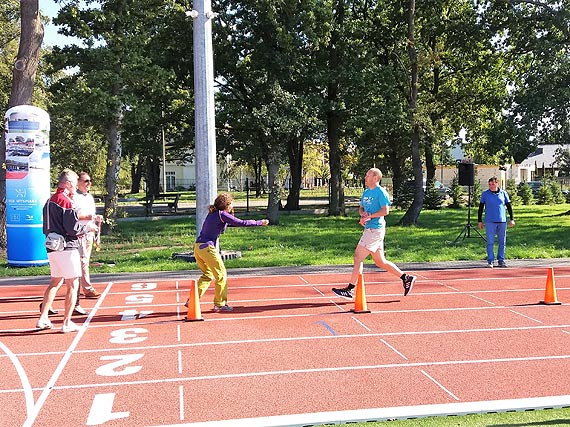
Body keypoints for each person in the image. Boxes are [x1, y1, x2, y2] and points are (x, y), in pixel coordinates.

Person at [332, 168, 416, 300]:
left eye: (368, 175)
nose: (365, 178)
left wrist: (370, 217)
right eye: (365, 175)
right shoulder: (366, 192)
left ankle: (350, 289)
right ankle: (406, 277)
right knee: (380, 261)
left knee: (358, 257)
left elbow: (385, 211)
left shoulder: (381, 192)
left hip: (375, 230)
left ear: (376, 178)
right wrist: (363, 214)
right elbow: (361, 208)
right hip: (369, 228)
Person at [37, 169, 97, 333]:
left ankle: (43, 318)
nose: (75, 187)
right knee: (72, 282)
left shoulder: (49, 201)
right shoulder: (65, 201)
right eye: (75, 182)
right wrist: (87, 228)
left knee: (55, 281)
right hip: (67, 247)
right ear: (68, 183)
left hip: (52, 245)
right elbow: (72, 228)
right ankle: (66, 322)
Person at [187, 193, 269, 312]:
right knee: (221, 275)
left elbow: (232, 223)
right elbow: (242, 223)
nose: (232, 206)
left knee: (207, 275)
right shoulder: (222, 214)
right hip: (207, 248)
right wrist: (259, 222)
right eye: (231, 204)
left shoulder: (213, 214)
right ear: (226, 205)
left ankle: (192, 300)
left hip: (198, 247)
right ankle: (219, 304)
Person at [73, 172, 103, 313]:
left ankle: (83, 287)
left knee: (85, 261)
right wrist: (87, 217)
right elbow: (72, 216)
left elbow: (90, 214)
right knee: (82, 261)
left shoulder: (89, 197)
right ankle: (86, 289)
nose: (89, 183)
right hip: (79, 233)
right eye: (86, 181)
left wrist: (96, 218)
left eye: (90, 181)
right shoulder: (74, 197)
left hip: (89, 232)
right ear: (78, 182)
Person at [478, 176, 515, 268]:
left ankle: (501, 260)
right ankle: (490, 260)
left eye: (493, 184)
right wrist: (480, 221)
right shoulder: (485, 194)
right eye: (489, 184)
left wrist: (512, 219)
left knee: (502, 241)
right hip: (490, 221)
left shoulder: (503, 193)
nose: (491, 186)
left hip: (502, 221)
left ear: (497, 184)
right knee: (490, 241)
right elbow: (481, 208)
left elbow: (509, 206)